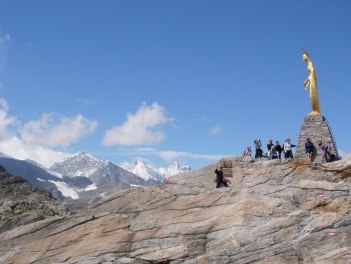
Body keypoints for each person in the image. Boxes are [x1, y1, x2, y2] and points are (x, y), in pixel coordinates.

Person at [302, 49, 321, 115]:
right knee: (310, 96)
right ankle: (313, 110)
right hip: (311, 80)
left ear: (306, 57)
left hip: (312, 80)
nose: (303, 58)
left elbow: (312, 74)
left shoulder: (310, 64)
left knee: (312, 95)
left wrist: (306, 81)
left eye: (303, 57)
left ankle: (315, 110)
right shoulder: (308, 64)